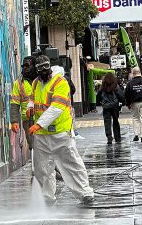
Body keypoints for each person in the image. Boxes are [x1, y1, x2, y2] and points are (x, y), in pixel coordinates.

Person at [27, 55, 95, 206]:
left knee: (71, 164)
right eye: (40, 68)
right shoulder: (36, 83)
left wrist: (39, 124)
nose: (43, 71)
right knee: (42, 168)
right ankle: (47, 197)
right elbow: (32, 97)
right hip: (42, 136)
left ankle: (85, 193)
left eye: (46, 67)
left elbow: (56, 108)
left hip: (60, 132)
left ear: (50, 66)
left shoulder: (60, 83)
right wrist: (30, 107)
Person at [10, 56, 37, 158]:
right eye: (23, 66)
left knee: (45, 146)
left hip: (41, 119)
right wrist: (14, 121)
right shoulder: (19, 83)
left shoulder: (40, 80)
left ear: (34, 67)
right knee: (33, 144)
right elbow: (14, 103)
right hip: (27, 120)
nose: (24, 68)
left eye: (27, 65)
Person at [97, 72, 125, 145]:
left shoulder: (103, 87)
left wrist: (100, 102)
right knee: (116, 121)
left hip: (106, 106)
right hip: (115, 106)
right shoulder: (115, 86)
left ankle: (109, 138)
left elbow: (98, 95)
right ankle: (117, 138)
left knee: (107, 122)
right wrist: (123, 102)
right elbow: (121, 95)